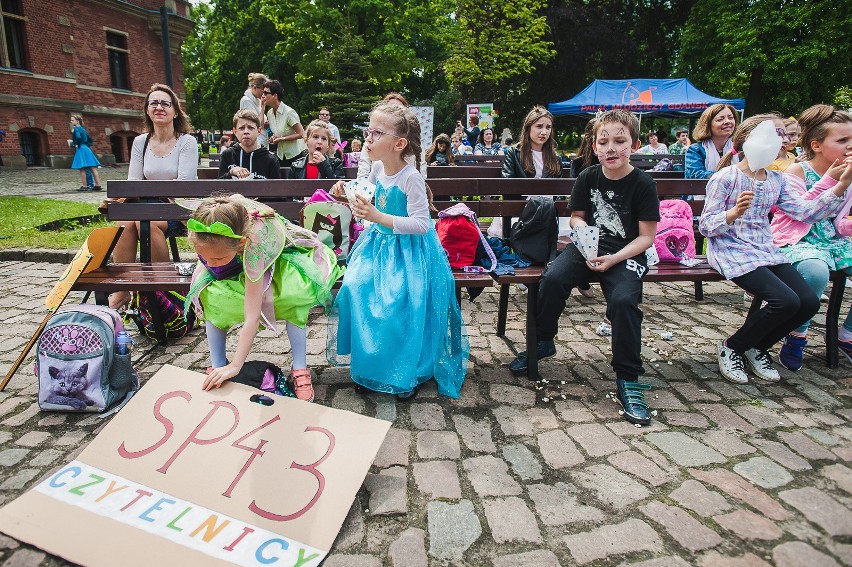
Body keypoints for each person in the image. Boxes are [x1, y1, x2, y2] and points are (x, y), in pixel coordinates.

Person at [509, 109, 660, 425]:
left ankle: (628, 378)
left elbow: (646, 237)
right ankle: (544, 340)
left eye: (620, 140)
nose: (611, 148)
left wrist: (614, 259)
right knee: (552, 278)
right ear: (594, 147)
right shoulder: (588, 177)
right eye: (603, 142)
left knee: (623, 301)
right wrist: (582, 234)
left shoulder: (643, 183)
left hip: (626, 254)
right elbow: (577, 216)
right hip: (586, 249)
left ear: (634, 144)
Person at [328, 103, 468, 400]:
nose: (367, 138)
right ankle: (371, 365)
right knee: (355, 287)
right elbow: (366, 196)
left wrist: (378, 216)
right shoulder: (378, 167)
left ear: (399, 143)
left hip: (407, 254)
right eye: (368, 131)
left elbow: (421, 224)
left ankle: (405, 370)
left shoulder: (411, 178)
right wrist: (348, 192)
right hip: (377, 247)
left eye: (376, 133)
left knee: (397, 302)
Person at [699, 113, 851, 385]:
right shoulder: (726, 177)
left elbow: (805, 212)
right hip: (732, 249)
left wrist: (840, 185)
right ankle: (733, 346)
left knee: (807, 302)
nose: (784, 140)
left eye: (784, 134)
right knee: (785, 301)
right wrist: (732, 213)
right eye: (776, 133)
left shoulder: (776, 180)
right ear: (750, 140)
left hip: (765, 249)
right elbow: (707, 227)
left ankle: (759, 346)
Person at [182, 195, 342, 401]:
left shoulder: (254, 246)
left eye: (218, 258)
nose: (211, 264)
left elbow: (252, 316)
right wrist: (214, 261)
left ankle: (300, 368)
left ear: (240, 243)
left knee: (293, 296)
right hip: (233, 264)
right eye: (205, 257)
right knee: (212, 296)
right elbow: (212, 257)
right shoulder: (204, 234)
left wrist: (237, 366)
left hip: (273, 260)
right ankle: (217, 365)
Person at [769, 105, 852, 370]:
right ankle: (796, 334)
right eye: (842, 141)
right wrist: (831, 181)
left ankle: (847, 334)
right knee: (816, 272)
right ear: (816, 145)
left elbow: (842, 221)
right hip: (797, 240)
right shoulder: (797, 172)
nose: (850, 146)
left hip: (833, 240)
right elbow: (800, 213)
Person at [109, 83, 199, 310]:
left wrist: (151, 189)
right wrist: (137, 194)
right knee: (124, 224)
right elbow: (134, 184)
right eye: (154, 103)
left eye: (165, 103)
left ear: (175, 111)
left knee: (144, 224)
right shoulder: (141, 142)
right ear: (147, 110)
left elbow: (185, 186)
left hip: (177, 208)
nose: (159, 107)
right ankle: (123, 290)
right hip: (146, 205)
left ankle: (165, 291)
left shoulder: (186, 142)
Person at [356, 92, 417, 178]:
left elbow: (420, 168)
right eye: (389, 108)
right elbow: (363, 171)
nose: (394, 111)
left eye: (399, 109)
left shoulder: (411, 176)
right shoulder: (377, 165)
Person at [217, 109, 280, 180]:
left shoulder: (270, 159)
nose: (246, 131)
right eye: (241, 128)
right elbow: (219, 185)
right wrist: (231, 173)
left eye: (250, 128)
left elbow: (276, 188)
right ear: (235, 131)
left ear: (258, 131)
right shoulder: (227, 155)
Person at [685, 104, 739, 179]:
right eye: (720, 119)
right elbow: (697, 176)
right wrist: (729, 177)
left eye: (730, 118)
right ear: (707, 125)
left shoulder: (739, 149)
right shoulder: (695, 150)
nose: (727, 121)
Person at [263, 80, 308, 167]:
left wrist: (282, 139)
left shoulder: (289, 112)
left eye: (265, 93)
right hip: (281, 155)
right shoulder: (270, 113)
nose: (263, 96)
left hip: (296, 155)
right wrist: (274, 137)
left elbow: (301, 133)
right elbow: (277, 132)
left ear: (275, 95)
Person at [69, 114, 102, 191]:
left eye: (72, 120)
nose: (71, 122)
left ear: (77, 121)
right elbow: (90, 139)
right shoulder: (83, 129)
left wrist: (76, 144)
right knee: (93, 168)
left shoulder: (76, 129)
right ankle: (98, 185)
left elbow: (78, 137)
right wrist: (86, 145)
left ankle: (85, 186)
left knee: (82, 168)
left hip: (81, 149)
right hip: (87, 149)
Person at [239, 73, 268, 148]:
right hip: (256, 143)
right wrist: (263, 107)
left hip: (263, 141)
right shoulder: (246, 101)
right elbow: (257, 124)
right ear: (255, 88)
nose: (264, 94)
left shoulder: (257, 101)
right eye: (263, 91)